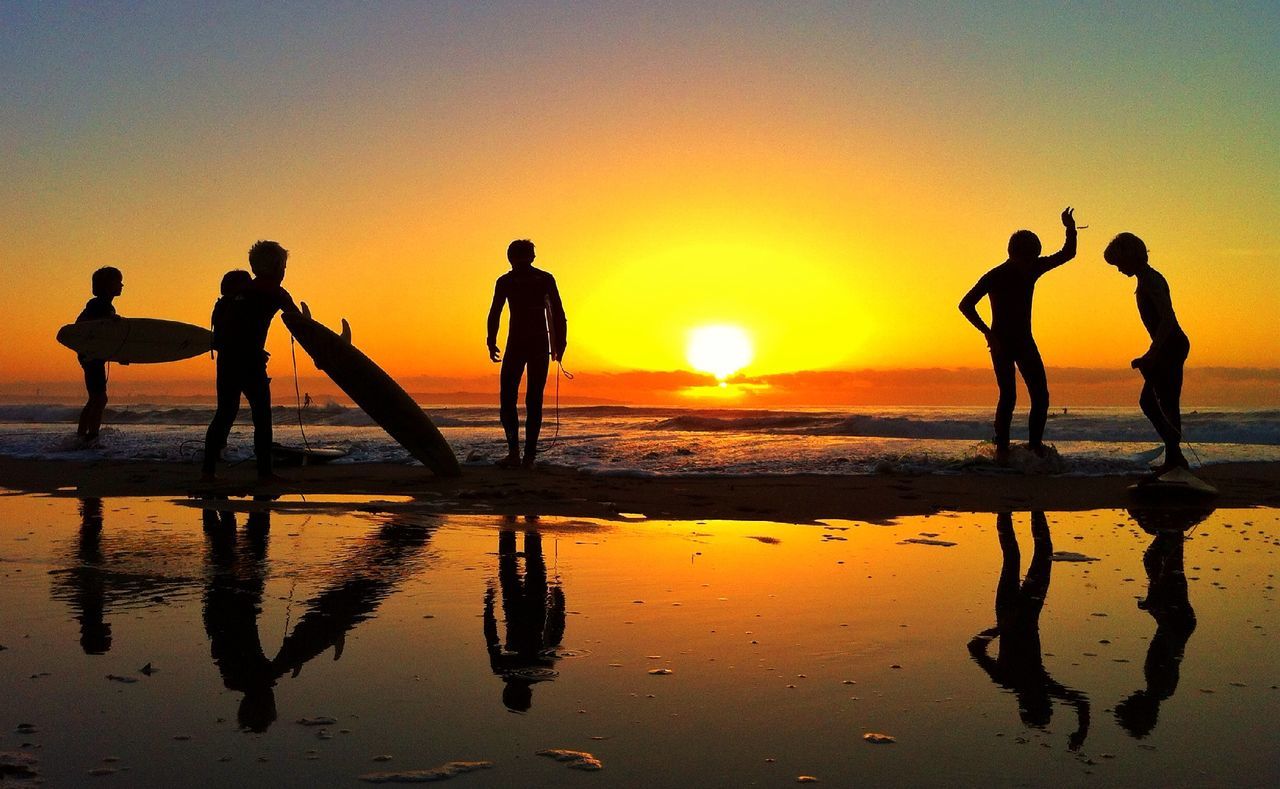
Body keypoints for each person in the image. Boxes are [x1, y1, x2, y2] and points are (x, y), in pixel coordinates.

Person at [960, 208, 1076, 463]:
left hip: (1025, 341)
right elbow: (965, 304)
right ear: (1014, 254)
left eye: (1033, 258)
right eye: (1027, 258)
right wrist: (988, 334)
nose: (1029, 264)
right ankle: (1002, 450)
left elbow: (1068, 254)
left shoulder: (1033, 267)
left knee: (1041, 396)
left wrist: (1069, 228)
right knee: (1008, 395)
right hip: (1002, 342)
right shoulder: (996, 275)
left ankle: (1034, 447)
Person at [202, 242, 299, 482]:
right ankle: (265, 472)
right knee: (262, 416)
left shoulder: (239, 293)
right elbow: (297, 321)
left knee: (225, 413)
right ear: (278, 267)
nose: (284, 271)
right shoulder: (275, 291)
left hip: (227, 360)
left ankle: (207, 471)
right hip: (251, 361)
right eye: (284, 266)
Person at [1104, 233, 1191, 473]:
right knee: (1162, 403)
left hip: (1171, 346)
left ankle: (1175, 457)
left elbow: (1167, 319)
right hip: (1168, 346)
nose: (1119, 269)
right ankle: (1174, 457)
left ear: (1131, 256)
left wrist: (1152, 353)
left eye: (1119, 263)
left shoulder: (1151, 280)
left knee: (1156, 403)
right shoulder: (1146, 279)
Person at [486, 239, 567, 468]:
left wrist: (491, 342)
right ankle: (522, 456)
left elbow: (495, 314)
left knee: (521, 399)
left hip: (528, 344)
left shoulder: (532, 280)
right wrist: (560, 342)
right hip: (530, 344)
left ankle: (522, 455)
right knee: (523, 399)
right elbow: (495, 312)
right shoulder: (522, 280)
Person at [75, 266, 123, 442]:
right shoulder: (98, 305)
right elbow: (94, 328)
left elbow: (104, 337)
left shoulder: (101, 305)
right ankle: (91, 437)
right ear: (108, 285)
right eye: (118, 282)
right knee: (100, 398)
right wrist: (113, 319)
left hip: (91, 355)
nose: (122, 285)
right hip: (91, 356)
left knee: (94, 398)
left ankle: (82, 435)